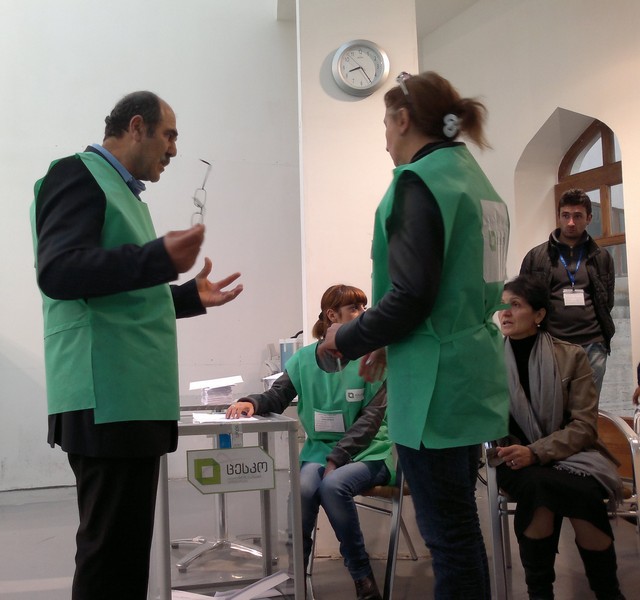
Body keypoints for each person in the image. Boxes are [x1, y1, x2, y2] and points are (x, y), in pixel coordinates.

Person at [30, 91, 243, 600]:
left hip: (131, 399)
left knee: (125, 558)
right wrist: (157, 258)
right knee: (109, 558)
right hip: (105, 397)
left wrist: (187, 295)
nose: (174, 150)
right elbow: (58, 271)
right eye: (169, 136)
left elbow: (127, 296)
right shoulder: (76, 175)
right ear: (137, 126)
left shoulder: (128, 197)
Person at [318, 71, 510, 599]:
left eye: (385, 122)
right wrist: (386, 337)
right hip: (470, 371)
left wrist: (347, 337)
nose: (384, 137)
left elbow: (410, 296)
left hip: (433, 382)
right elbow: (445, 289)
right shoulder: (475, 181)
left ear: (402, 119)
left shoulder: (417, 182)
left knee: (446, 534)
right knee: (460, 528)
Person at [227, 284, 393, 600]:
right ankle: (295, 578)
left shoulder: (372, 358)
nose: (363, 313)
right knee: (303, 489)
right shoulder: (303, 360)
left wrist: (338, 457)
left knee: (333, 485)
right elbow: (277, 396)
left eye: (363, 307)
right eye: (355, 308)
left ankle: (362, 577)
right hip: (320, 451)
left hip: (369, 452)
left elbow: (371, 422)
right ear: (332, 315)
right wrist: (252, 401)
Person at [496, 274, 625, 600]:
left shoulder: (571, 356)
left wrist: (536, 452)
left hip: (571, 455)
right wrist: (514, 452)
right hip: (514, 460)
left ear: (539, 314)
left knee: (574, 490)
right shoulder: (489, 363)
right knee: (540, 487)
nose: (505, 313)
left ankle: (605, 592)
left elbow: (584, 427)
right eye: (502, 305)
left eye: (516, 305)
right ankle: (544, 593)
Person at [520, 188, 615, 397]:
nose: (571, 222)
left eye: (578, 216)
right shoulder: (536, 257)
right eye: (566, 215)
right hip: (552, 344)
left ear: (589, 218)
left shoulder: (602, 257)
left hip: (593, 346)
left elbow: (607, 301)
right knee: (552, 407)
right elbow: (524, 303)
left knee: (587, 409)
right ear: (559, 216)